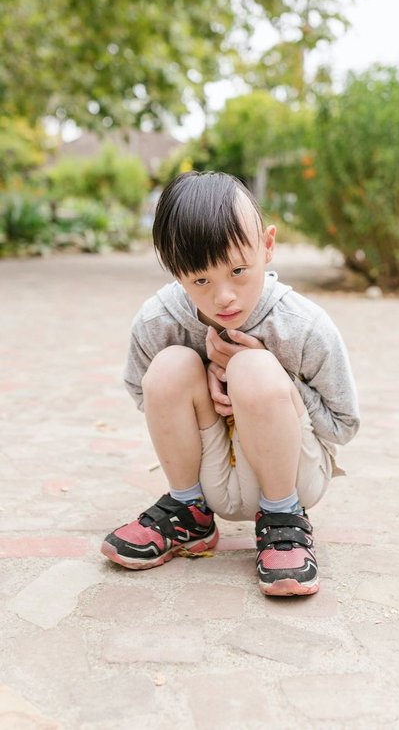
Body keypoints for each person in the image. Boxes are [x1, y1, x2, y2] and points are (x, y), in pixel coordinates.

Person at [101, 171, 360, 596]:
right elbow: (141, 390)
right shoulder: (158, 320)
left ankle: (283, 521)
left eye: (239, 270)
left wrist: (275, 377)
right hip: (209, 474)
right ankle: (189, 514)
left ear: (268, 246)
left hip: (292, 478)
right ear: (175, 272)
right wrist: (204, 389)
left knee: (252, 369)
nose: (224, 297)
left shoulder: (301, 325)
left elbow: (343, 425)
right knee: (169, 367)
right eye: (200, 280)